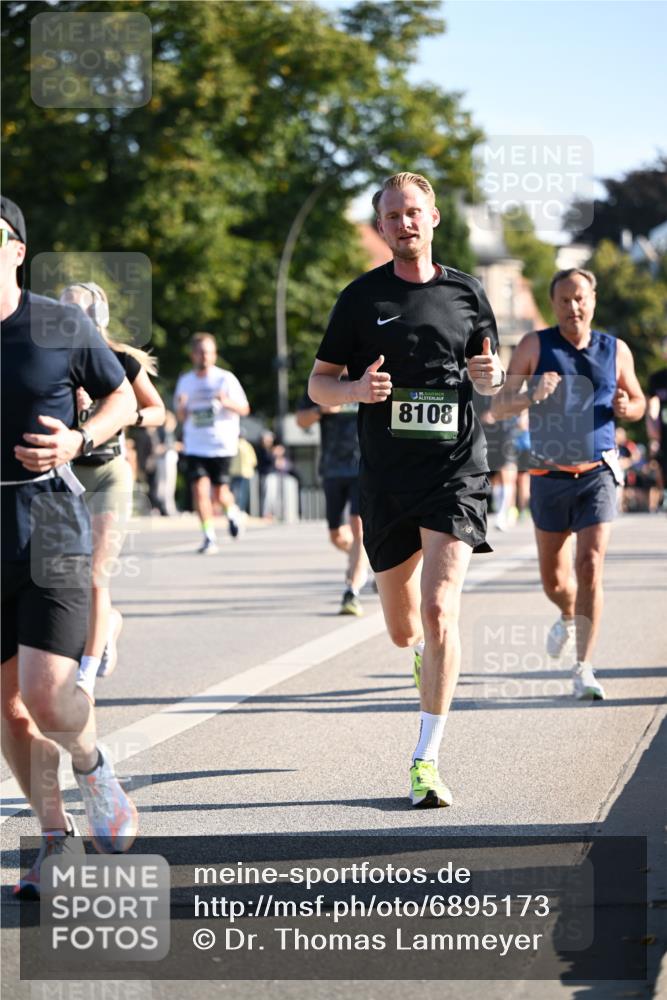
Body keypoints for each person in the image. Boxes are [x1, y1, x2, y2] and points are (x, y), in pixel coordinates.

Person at [308, 172, 504, 808]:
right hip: (387, 478)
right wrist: (356, 393)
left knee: (441, 605)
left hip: (455, 470)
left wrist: (493, 374)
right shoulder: (360, 299)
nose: (404, 223)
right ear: (382, 226)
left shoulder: (468, 294)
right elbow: (319, 385)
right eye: (392, 216)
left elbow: (489, 373)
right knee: (402, 628)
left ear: (434, 218)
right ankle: (419, 655)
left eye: (413, 212)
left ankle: (426, 758)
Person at [1, 196, 138, 897]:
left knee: (49, 698)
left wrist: (78, 439)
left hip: (50, 516)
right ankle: (55, 839)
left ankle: (90, 761)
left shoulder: (60, 322)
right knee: (8, 706)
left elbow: (125, 399)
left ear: (18, 250)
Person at [492, 268, 646, 699]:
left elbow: (636, 401)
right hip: (547, 476)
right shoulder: (534, 346)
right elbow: (499, 406)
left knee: (590, 566)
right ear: (553, 303)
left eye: (580, 298)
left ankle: (583, 667)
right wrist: (530, 394)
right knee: (555, 582)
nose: (573, 307)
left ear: (592, 299)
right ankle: (566, 613)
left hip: (597, 472)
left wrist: (627, 406)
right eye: (564, 300)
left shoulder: (615, 350)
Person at [58, 282, 165, 701]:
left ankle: (84, 675)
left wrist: (120, 412)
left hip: (107, 475)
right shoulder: (53, 361)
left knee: (95, 576)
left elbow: (158, 411)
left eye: (77, 312)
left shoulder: (119, 360)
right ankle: (109, 626)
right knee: (63, 580)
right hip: (65, 478)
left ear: (98, 317)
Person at [297, 381, 369, 615]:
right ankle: (363, 559)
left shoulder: (368, 375)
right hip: (332, 469)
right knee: (337, 536)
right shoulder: (325, 379)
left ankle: (352, 591)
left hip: (364, 468)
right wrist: (321, 410)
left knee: (358, 527)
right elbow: (301, 420)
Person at [174, 333, 250, 553]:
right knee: (199, 491)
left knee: (219, 494)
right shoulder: (185, 381)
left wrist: (226, 402)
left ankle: (232, 513)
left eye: (208, 352)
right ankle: (209, 536)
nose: (204, 356)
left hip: (221, 444)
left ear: (214, 354)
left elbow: (244, 409)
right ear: (192, 355)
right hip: (196, 445)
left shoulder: (225, 379)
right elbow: (181, 417)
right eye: (199, 352)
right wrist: (181, 408)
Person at [646, 336, 667, 506]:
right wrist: (653, 435)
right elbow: (652, 407)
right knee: (662, 464)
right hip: (664, 432)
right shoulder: (657, 379)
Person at [230, 434, 258, 514]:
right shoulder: (247, 446)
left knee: (233, 492)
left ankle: (233, 509)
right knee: (242, 493)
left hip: (233, 472)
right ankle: (240, 510)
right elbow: (253, 460)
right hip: (245, 473)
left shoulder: (232, 444)